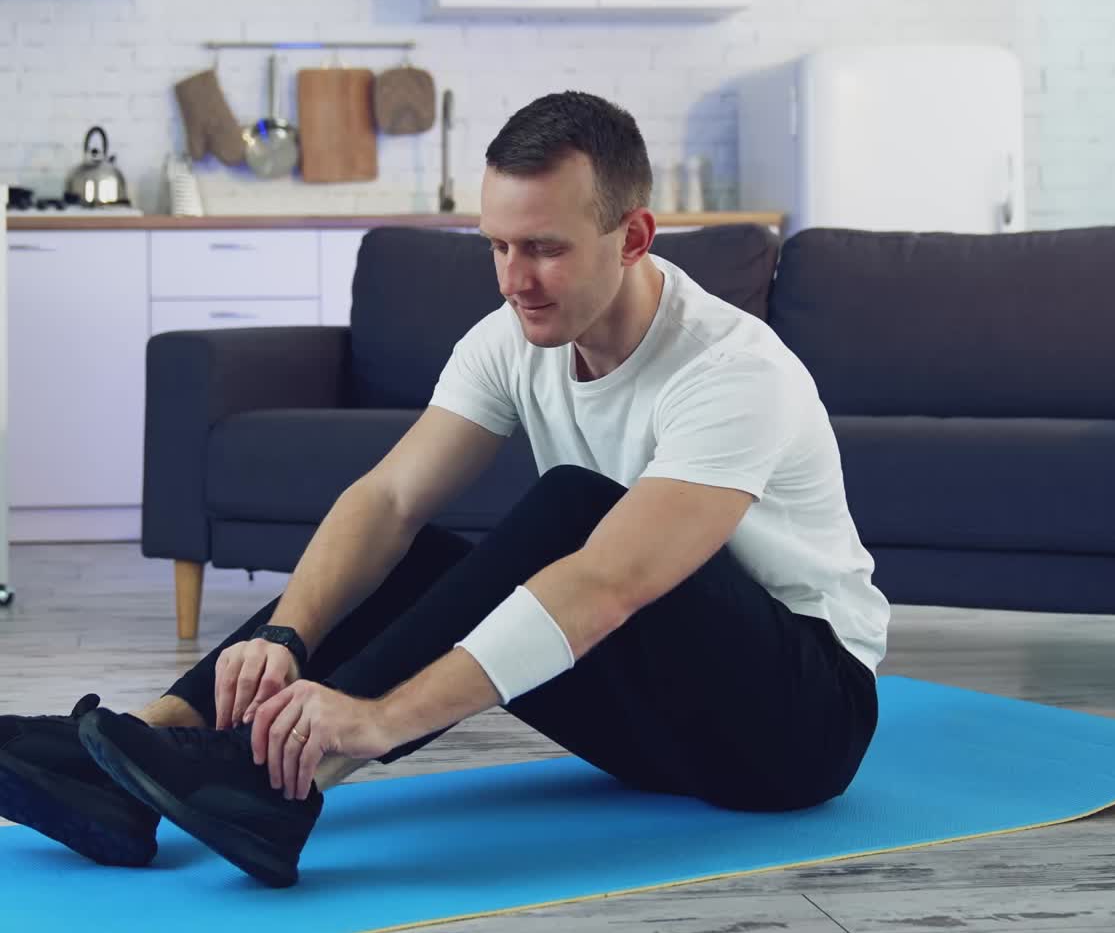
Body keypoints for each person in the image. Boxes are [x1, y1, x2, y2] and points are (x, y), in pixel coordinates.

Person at [0, 91, 891, 888]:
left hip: (798, 730)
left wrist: (377, 720)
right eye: (497, 246)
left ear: (633, 237)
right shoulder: (512, 335)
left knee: (578, 509)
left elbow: (609, 583)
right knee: (419, 552)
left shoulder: (733, 369)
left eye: (545, 249)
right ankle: (138, 754)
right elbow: (388, 501)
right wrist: (286, 630)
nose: (515, 280)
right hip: (657, 718)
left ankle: (273, 776)